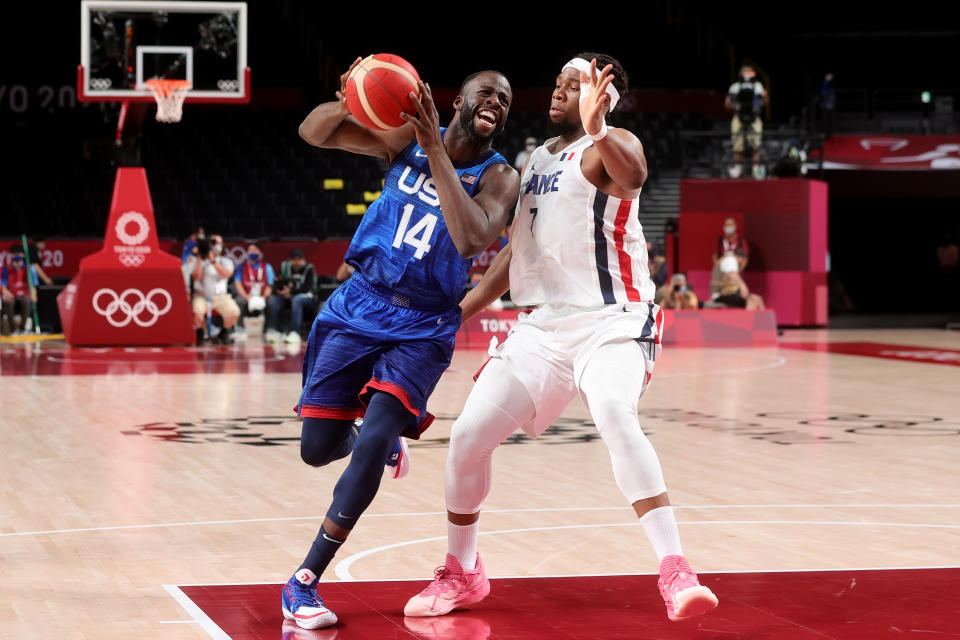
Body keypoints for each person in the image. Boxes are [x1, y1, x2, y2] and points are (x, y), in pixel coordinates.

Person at [404, 54, 717, 623]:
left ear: (603, 98)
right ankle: (463, 570)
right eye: (557, 84)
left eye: (573, 87)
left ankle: (675, 568)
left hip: (614, 318)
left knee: (615, 414)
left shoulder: (612, 145)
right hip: (546, 325)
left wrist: (598, 125)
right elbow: (515, 256)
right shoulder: (537, 159)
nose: (557, 93)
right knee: (467, 437)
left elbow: (636, 176)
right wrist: (459, 313)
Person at [282, 58, 518, 630]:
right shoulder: (403, 137)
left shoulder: (498, 178)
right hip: (359, 304)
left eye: (505, 100)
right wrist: (351, 97)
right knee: (317, 447)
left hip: (424, 324)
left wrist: (434, 153)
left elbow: (469, 239)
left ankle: (304, 579)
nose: (496, 102)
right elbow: (313, 131)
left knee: (375, 438)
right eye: (485, 93)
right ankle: (375, 440)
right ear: (456, 101)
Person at [191, 234, 240, 344]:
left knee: (234, 312)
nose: (215, 245)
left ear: (222, 245)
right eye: (212, 242)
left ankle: (224, 332)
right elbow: (196, 277)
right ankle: (199, 334)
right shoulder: (198, 260)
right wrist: (199, 257)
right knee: (197, 312)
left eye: (217, 243)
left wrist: (213, 261)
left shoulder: (226, 261)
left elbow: (226, 274)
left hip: (221, 296)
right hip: (202, 296)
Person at [724, 65, 768, 179]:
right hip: (739, 117)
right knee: (738, 145)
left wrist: (761, 100)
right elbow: (727, 105)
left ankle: (756, 169)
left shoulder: (758, 86)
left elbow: (766, 100)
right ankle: (738, 168)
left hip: (754, 117)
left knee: (755, 144)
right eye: (746, 74)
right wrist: (737, 106)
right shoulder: (734, 87)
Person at [268, 249, 317, 344]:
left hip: (306, 297)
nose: (296, 262)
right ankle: (278, 331)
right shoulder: (285, 267)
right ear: (289, 260)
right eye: (294, 260)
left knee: (296, 299)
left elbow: (307, 288)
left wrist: (291, 291)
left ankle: (295, 332)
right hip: (287, 296)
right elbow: (279, 280)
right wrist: (279, 285)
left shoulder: (309, 268)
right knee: (273, 300)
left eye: (299, 259)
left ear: (303, 259)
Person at [234, 242, 275, 333]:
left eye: (255, 250)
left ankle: (270, 329)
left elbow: (270, 284)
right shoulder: (241, 267)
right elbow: (238, 284)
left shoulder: (267, 267)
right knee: (239, 301)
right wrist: (246, 297)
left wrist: (264, 297)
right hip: (247, 295)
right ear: (246, 253)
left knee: (272, 301)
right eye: (250, 250)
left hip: (262, 295)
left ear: (260, 252)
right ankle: (240, 328)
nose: (252, 252)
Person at [1, 245, 39, 335]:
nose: (18, 263)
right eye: (15, 261)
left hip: (24, 294)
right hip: (11, 294)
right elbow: (3, 287)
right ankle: (13, 329)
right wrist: (6, 293)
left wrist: (34, 295)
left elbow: (33, 286)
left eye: (19, 261)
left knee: (27, 301)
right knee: (8, 302)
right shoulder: (6, 269)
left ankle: (22, 329)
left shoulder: (30, 269)